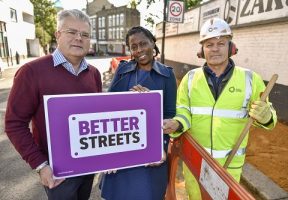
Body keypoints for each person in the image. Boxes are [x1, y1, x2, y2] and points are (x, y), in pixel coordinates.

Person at [163, 18, 277, 199]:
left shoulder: (251, 79)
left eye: (221, 43)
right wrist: (177, 124)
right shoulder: (190, 79)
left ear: (231, 47)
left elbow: (267, 115)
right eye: (209, 44)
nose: (215, 48)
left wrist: (266, 117)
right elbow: (183, 111)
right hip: (195, 163)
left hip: (229, 167)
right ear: (202, 50)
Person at [5, 9, 102, 200]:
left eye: (84, 34)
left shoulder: (94, 74)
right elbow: (14, 124)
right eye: (71, 32)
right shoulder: (31, 72)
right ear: (58, 34)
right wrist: (40, 165)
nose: (78, 38)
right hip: (57, 171)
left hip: (88, 164)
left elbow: (97, 117)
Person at [100, 26, 177, 200]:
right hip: (122, 150)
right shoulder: (122, 70)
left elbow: (169, 115)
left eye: (143, 43)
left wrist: (158, 149)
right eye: (134, 47)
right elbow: (108, 108)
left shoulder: (167, 75)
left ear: (152, 43)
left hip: (149, 154)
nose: (139, 50)